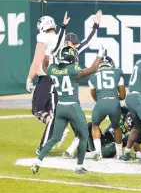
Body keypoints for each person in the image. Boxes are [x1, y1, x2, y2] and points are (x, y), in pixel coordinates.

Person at [31, 44, 104, 174]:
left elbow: (44, 66)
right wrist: (100, 55)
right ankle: (79, 166)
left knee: (55, 138)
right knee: (83, 135)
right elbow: (93, 69)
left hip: (60, 107)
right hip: (72, 107)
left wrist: (47, 52)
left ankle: (38, 162)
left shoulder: (53, 69)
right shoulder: (72, 69)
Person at [36, 10, 103, 153]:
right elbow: (59, 42)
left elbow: (88, 41)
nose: (76, 46)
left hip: (72, 89)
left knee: (77, 118)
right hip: (58, 88)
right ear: (67, 43)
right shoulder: (58, 49)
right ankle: (42, 146)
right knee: (55, 118)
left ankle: (83, 145)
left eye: (76, 44)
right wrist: (63, 27)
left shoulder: (75, 50)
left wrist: (96, 25)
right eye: (73, 44)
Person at [26, 12, 70, 155]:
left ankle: (53, 135)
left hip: (47, 77)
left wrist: (29, 78)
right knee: (50, 110)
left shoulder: (43, 38)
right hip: (59, 77)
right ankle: (57, 129)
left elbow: (37, 60)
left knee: (37, 109)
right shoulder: (60, 38)